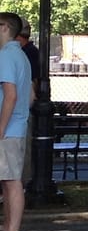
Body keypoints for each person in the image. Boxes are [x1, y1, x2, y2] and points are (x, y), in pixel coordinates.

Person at [0, 13, 33, 231]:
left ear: (4, 28)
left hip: (8, 130)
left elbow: (11, 96)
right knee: (9, 182)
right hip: (16, 127)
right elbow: (30, 96)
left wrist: (1, 128)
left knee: (11, 183)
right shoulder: (20, 55)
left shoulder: (5, 56)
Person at [15, 22, 39, 190]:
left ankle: (23, 184)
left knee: (23, 150)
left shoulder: (28, 53)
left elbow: (33, 83)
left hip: (21, 109)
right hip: (20, 108)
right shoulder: (26, 53)